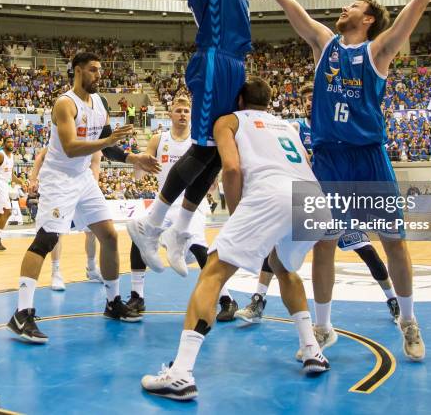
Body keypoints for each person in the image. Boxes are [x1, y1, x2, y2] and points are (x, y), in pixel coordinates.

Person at [244, 0, 431, 361]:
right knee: (322, 243)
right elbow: (287, 0)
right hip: (327, 160)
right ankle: (324, 329)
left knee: (394, 242)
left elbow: (420, 1)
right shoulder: (323, 43)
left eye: (352, 4)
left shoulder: (379, 50)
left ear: (367, 19)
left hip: (368, 158)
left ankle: (408, 320)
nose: (343, 7)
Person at [141, 78, 330, 401]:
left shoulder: (228, 120)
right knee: (285, 269)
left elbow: (230, 168)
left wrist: (240, 213)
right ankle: (312, 349)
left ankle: (181, 373)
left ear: (239, 98)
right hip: (312, 199)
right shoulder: (288, 126)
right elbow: (307, 164)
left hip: (270, 195)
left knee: (213, 272)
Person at [129, 0, 252, 277]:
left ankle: (181, 229)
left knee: (220, 149)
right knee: (204, 147)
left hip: (234, 62)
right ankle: (151, 224)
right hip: (214, 59)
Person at [6, 52, 160, 344]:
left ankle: (113, 302)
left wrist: (133, 158)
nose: (98, 75)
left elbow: (108, 147)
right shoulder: (65, 104)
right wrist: (108, 141)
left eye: (99, 70)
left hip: (83, 178)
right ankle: (21, 313)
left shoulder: (99, 102)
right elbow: (71, 148)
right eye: (92, 70)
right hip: (59, 177)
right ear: (77, 71)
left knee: (110, 236)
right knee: (46, 240)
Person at [236, 83, 399, 324]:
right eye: (306, 100)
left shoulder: (337, 128)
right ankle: (258, 300)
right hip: (309, 197)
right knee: (276, 249)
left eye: (314, 98)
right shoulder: (294, 128)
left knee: (366, 251)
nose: (310, 103)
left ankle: (393, 300)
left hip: (337, 198)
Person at [127, 96, 238, 321]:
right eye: (178, 110)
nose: (182, 114)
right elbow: (140, 170)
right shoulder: (159, 139)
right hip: (165, 203)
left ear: (192, 115)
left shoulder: (198, 141)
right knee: (139, 236)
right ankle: (137, 296)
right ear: (169, 115)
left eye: (186, 111)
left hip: (191, 204)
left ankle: (227, 299)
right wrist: (139, 164)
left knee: (198, 245)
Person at [28, 147, 104, 291]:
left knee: (92, 230)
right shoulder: (65, 136)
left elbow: (95, 165)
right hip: (62, 188)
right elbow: (40, 157)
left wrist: (93, 188)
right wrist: (33, 179)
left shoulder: (94, 140)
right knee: (57, 232)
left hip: (84, 188)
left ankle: (92, 268)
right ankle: (56, 272)